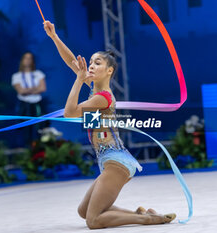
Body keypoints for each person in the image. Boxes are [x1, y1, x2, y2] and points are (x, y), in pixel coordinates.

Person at [44, 20, 176, 229]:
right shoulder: (94, 91)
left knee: (93, 221)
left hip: (117, 162)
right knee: (83, 211)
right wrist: (54, 37)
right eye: (90, 62)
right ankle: (140, 213)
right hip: (107, 159)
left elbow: (69, 113)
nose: (91, 66)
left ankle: (149, 219)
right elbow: (72, 62)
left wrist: (78, 80)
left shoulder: (103, 97)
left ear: (109, 71)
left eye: (97, 63)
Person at [12, 52, 47, 146]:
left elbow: (43, 88)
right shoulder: (16, 76)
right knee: (25, 126)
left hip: (37, 103)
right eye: (26, 58)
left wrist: (28, 90)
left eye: (30, 58)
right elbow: (21, 91)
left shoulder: (38, 74)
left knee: (39, 126)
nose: (28, 60)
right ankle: (25, 147)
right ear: (22, 60)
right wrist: (35, 89)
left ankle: (39, 147)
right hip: (24, 105)